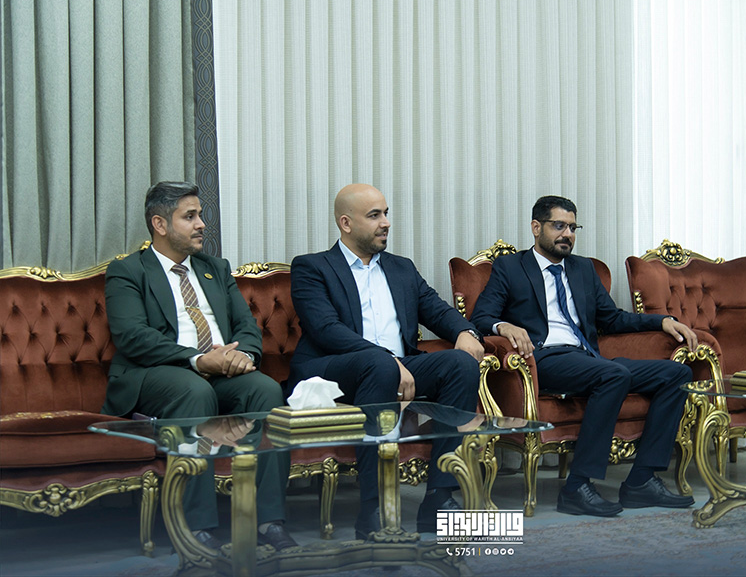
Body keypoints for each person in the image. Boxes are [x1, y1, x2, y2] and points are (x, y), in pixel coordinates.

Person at [471, 195, 698, 517]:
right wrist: (504, 326)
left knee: (676, 374)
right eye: (559, 226)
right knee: (613, 374)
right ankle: (577, 487)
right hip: (543, 358)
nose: (567, 234)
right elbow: (481, 317)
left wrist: (661, 321)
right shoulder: (511, 267)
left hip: (587, 358)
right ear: (536, 227)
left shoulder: (583, 268)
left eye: (573, 228)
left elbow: (611, 319)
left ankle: (642, 480)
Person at [102, 181, 296, 551]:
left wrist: (243, 357)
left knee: (265, 390)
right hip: (157, 372)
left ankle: (268, 520)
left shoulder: (214, 269)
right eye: (189, 217)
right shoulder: (128, 271)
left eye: (200, 215)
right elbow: (132, 336)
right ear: (160, 224)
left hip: (220, 372)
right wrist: (197, 358)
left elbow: (245, 326)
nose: (201, 224)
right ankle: (197, 527)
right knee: (194, 390)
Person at [288, 184, 484, 539]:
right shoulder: (312, 267)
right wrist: (389, 360)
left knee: (460, 364)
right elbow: (326, 330)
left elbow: (436, 309)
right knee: (377, 365)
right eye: (374, 215)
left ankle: (439, 498)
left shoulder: (401, 268)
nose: (386, 223)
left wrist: (465, 331)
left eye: (386, 213)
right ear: (346, 223)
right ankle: (374, 509)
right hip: (333, 371)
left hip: (396, 368)